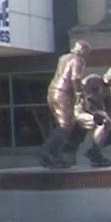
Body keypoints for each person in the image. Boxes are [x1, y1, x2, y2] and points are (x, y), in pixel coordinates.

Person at [38, 40, 92, 168]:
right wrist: (80, 95)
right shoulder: (78, 60)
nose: (86, 55)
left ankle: (55, 155)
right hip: (62, 93)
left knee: (65, 125)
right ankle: (46, 152)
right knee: (65, 126)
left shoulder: (63, 57)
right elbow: (75, 78)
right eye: (87, 52)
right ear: (82, 50)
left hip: (53, 91)